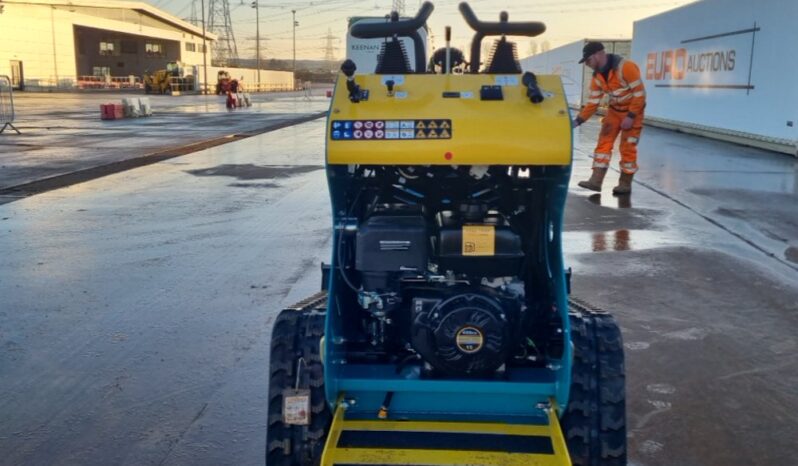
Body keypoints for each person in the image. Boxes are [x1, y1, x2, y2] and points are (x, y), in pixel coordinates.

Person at [572, 42, 646, 195]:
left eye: (588, 61)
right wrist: (577, 121)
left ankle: (625, 184)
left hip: (633, 112)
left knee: (627, 148)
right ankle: (596, 181)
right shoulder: (597, 77)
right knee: (603, 144)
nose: (587, 64)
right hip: (614, 112)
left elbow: (640, 94)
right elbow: (593, 103)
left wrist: (631, 117)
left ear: (598, 54)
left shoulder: (626, 67)